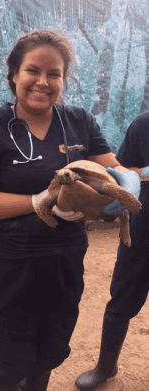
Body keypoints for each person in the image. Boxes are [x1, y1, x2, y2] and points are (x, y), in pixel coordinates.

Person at [0, 30, 140, 391]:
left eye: (54, 74)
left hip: (65, 259)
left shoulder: (78, 122)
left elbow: (114, 170)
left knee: (49, 348)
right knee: (9, 359)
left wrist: (124, 189)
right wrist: (39, 200)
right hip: (9, 262)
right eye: (32, 70)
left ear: (63, 79)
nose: (43, 82)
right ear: (14, 74)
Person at [75, 111, 149, 391]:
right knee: (120, 303)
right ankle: (105, 367)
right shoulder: (143, 124)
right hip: (142, 233)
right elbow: (123, 172)